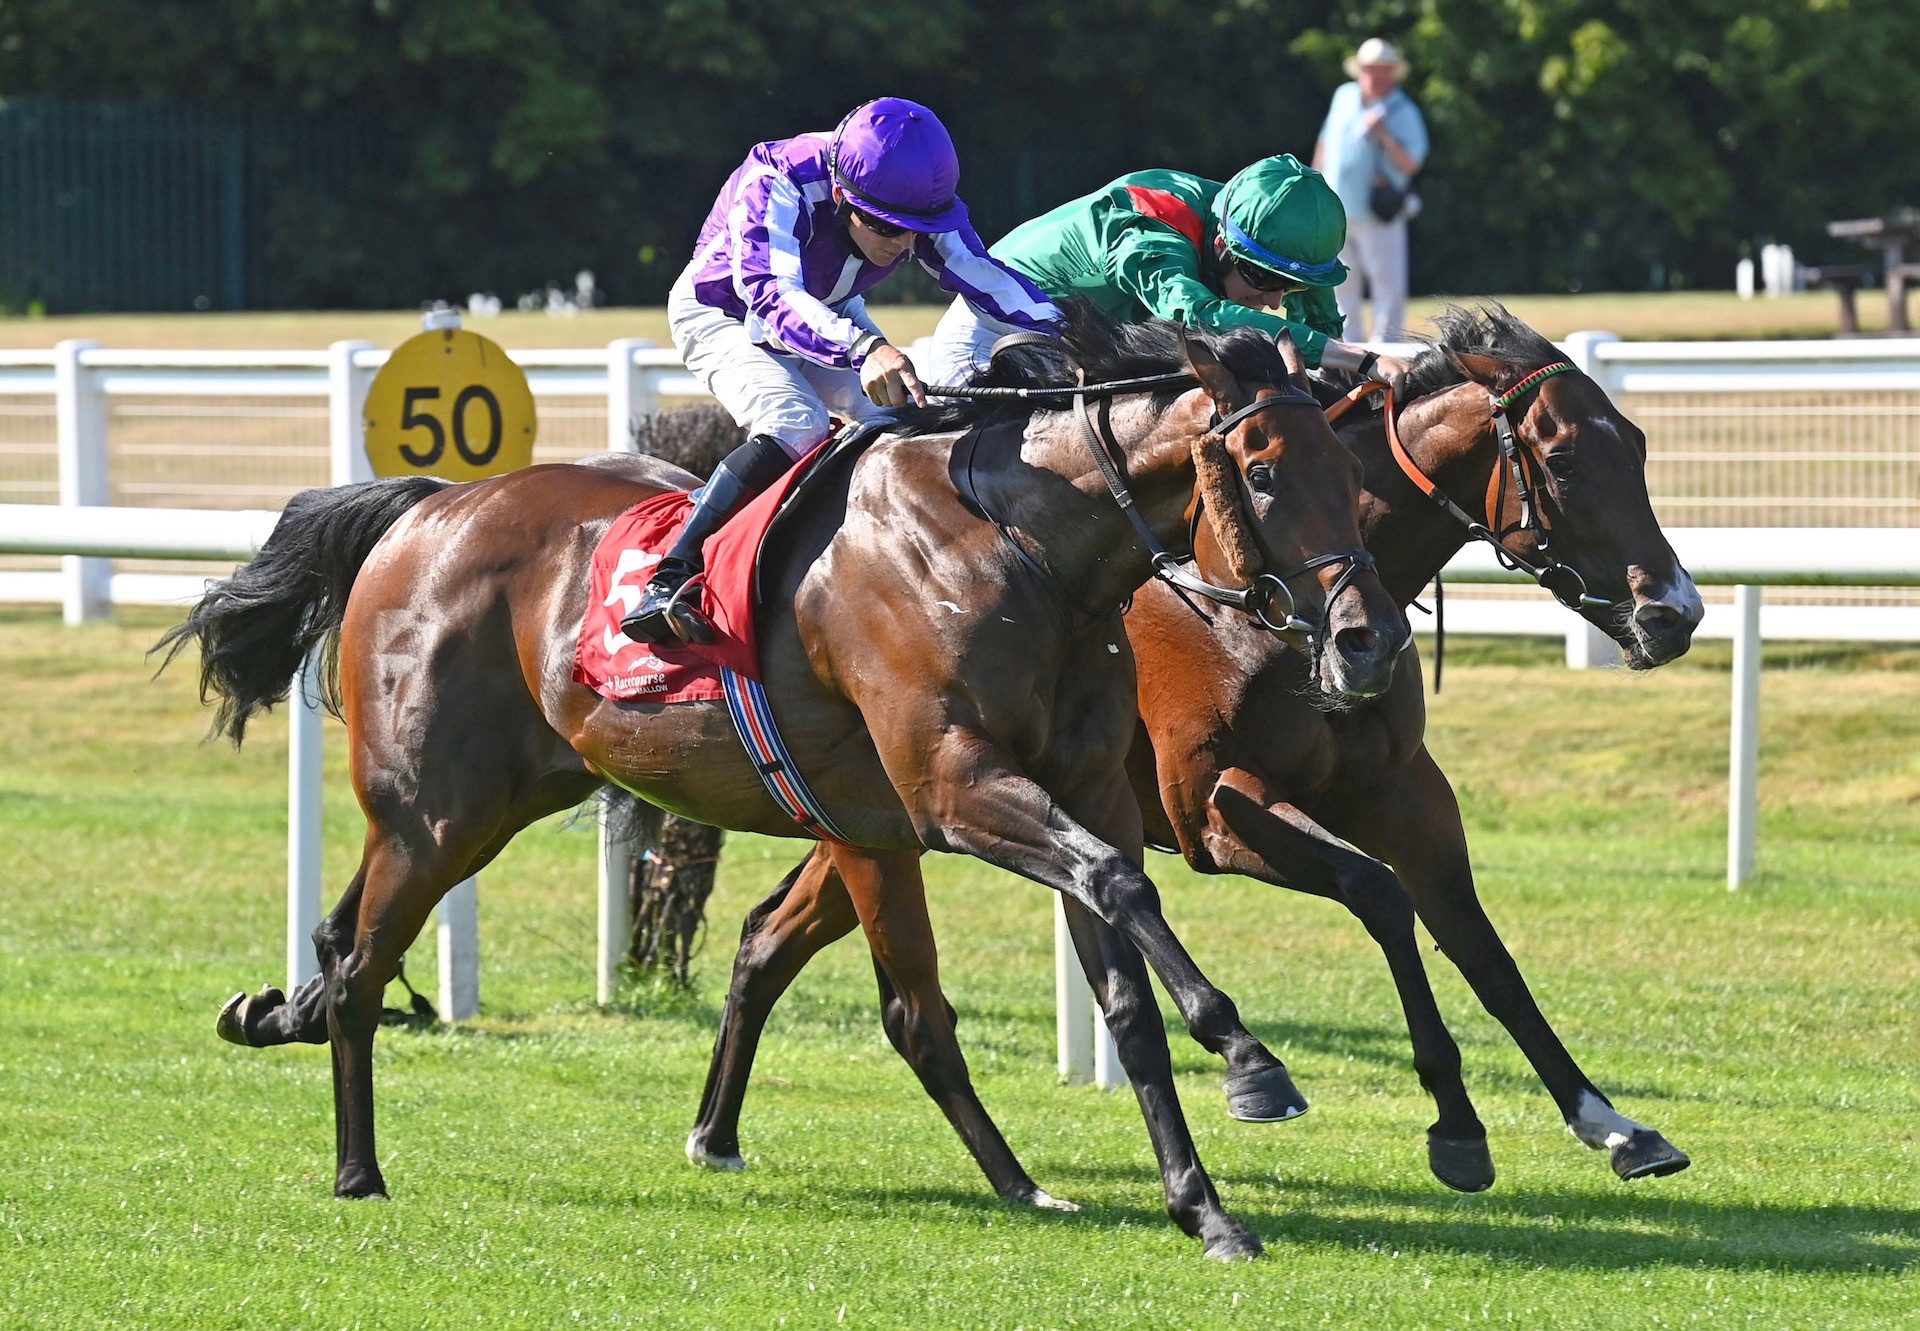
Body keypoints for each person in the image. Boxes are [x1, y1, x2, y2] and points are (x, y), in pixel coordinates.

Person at [622, 97, 1062, 644]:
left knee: (900, 418)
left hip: (828, 308)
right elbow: (772, 298)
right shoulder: (777, 177)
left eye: (918, 232)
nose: (906, 246)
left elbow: (983, 275)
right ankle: (672, 573)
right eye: (889, 230)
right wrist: (864, 348)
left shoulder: (908, 197)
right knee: (795, 423)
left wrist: (1072, 336)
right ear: (840, 197)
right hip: (725, 311)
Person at [922, 154, 1409, 388]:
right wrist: (1360, 359)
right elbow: (1197, 316)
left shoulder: (1263, 230)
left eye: (1293, 285)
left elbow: (1318, 325)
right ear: (1221, 245)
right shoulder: (1152, 224)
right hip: (996, 335)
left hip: (1085, 343)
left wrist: (1351, 381)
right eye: (1263, 281)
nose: (1277, 300)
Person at [1313, 37, 1429, 342]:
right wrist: (1313, 183)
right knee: (1340, 285)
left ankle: (1389, 351)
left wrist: (1384, 136)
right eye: (1369, 69)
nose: (1374, 76)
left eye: (1381, 70)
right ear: (1360, 70)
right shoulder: (1344, 96)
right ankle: (1347, 350)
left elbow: (1410, 164)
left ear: (1392, 73)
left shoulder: (1403, 111)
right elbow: (1326, 142)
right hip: (1338, 211)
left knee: (1387, 287)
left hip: (1379, 215)